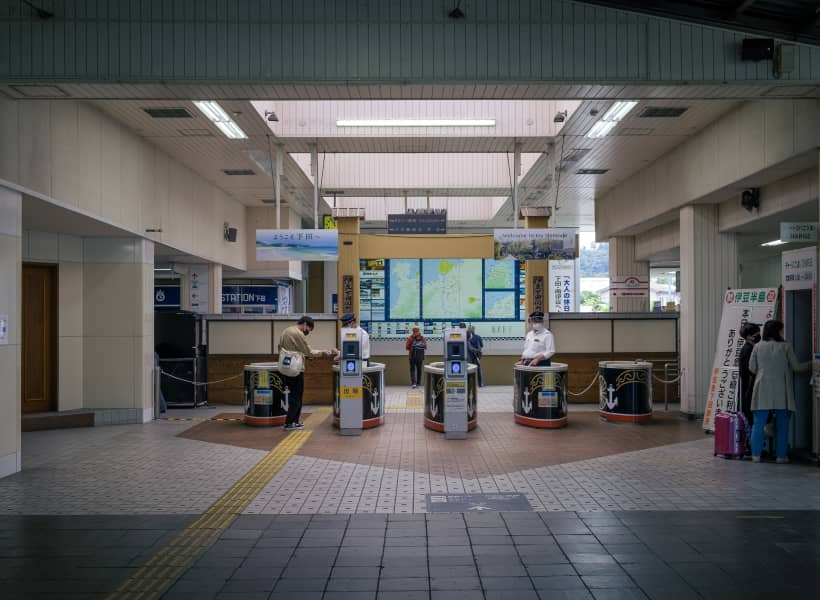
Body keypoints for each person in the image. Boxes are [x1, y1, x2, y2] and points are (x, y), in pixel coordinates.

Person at [748, 319, 811, 463]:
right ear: (777, 331)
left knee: (758, 424)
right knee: (783, 425)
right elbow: (796, 368)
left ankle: (755, 455)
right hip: (782, 391)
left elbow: (751, 368)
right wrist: (813, 363)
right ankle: (781, 456)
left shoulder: (757, 347)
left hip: (762, 389)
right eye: (781, 330)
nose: (782, 332)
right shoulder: (786, 347)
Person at [279, 315, 337, 431]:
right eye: (309, 329)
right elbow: (308, 351)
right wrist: (323, 353)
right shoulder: (298, 333)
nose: (308, 332)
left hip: (285, 367)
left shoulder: (286, 331)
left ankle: (293, 422)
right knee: (297, 396)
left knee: (292, 395)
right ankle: (290, 423)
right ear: (305, 324)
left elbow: (281, 347)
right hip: (295, 369)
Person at [738, 323, 760, 427]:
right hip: (749, 388)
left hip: (748, 388)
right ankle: (750, 442)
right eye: (755, 334)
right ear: (748, 336)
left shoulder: (749, 348)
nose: (758, 335)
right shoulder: (748, 350)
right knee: (750, 419)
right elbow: (749, 371)